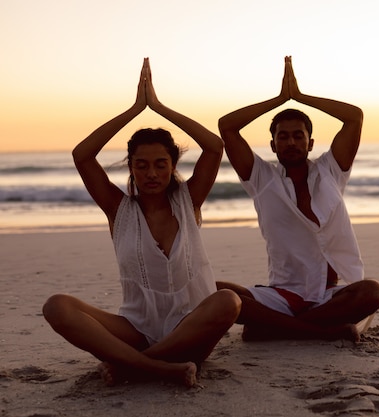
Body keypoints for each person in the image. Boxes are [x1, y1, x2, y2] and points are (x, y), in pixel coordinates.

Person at [42, 58, 241, 387]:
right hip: (135, 330)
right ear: (131, 167)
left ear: (172, 165)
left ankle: (136, 366)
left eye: (161, 164)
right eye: (142, 165)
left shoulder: (188, 200)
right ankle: (160, 367)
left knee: (228, 301)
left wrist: (158, 107)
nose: (152, 174)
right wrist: (136, 109)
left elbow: (214, 146)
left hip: (191, 332)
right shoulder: (118, 208)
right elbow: (82, 155)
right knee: (56, 307)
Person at [217, 56, 379, 343]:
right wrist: (279, 99)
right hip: (281, 295)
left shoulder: (331, 171)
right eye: (283, 137)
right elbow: (227, 126)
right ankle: (318, 332)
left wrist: (301, 97)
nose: (291, 142)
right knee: (215, 291)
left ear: (310, 143)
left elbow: (354, 116)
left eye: (298, 136)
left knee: (372, 292)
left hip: (330, 294)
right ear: (273, 144)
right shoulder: (261, 179)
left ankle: (275, 328)